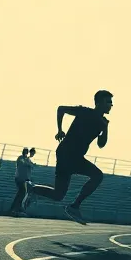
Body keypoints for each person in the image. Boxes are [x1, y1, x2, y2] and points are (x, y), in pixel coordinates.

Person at [25, 91, 112, 224]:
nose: (111, 105)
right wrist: (60, 129)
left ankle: (33, 188)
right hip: (66, 154)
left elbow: (101, 144)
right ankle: (74, 206)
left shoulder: (102, 122)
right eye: (108, 102)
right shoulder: (85, 112)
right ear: (99, 103)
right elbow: (61, 109)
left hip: (76, 157)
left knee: (58, 195)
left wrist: (106, 128)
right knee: (97, 175)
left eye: (111, 102)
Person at [9, 147, 35, 215]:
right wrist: (30, 164)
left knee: (21, 194)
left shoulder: (27, 159)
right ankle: (16, 208)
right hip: (19, 178)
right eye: (24, 151)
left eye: (26, 151)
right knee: (22, 192)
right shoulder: (20, 158)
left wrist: (30, 163)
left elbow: (32, 166)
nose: (25, 153)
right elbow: (24, 163)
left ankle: (15, 208)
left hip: (25, 179)